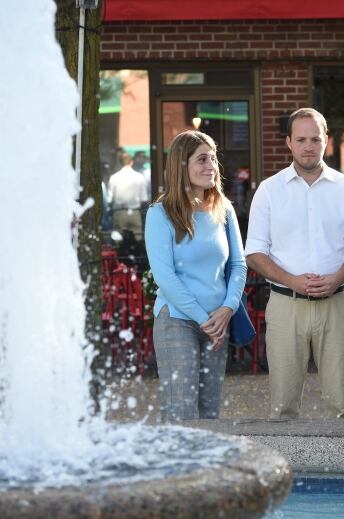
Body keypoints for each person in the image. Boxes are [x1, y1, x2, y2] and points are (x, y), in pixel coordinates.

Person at [245, 108, 344, 419]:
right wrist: (291, 280)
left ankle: (343, 466)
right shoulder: (269, 191)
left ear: (327, 140)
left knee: (341, 406)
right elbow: (255, 252)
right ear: (288, 142)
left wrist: (337, 278)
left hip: (336, 303)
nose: (308, 146)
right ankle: (286, 468)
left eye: (315, 139)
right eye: (301, 139)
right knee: (282, 406)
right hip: (287, 305)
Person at [144, 130, 247, 421]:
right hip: (178, 320)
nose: (211, 166)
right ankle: (176, 468)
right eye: (202, 159)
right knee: (182, 411)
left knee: (209, 412)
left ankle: (207, 469)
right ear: (181, 165)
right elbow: (165, 277)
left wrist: (228, 308)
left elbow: (239, 264)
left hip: (218, 321)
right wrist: (204, 320)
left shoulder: (223, 209)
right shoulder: (159, 214)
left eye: (213, 159)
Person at [108, 150, 148, 239]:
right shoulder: (139, 177)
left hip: (119, 213)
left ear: (120, 162)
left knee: (118, 240)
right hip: (135, 212)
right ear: (131, 162)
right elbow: (144, 199)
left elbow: (109, 199)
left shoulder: (114, 178)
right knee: (137, 238)